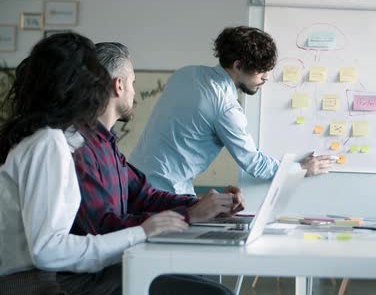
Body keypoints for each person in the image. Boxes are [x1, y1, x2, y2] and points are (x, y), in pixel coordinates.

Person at [0, 33, 186, 294]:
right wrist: (142, 232)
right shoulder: (48, 143)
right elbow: (47, 251)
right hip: (33, 285)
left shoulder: (50, 139)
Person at [70, 42, 241, 294]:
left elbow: (142, 194)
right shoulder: (82, 148)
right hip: (89, 278)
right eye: (133, 83)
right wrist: (190, 215)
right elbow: (103, 228)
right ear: (119, 85)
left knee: (203, 279)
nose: (134, 93)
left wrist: (204, 204)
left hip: (115, 264)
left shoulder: (106, 143)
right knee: (215, 292)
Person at [130, 26, 335, 195]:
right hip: (163, 193)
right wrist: (301, 168)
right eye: (260, 70)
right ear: (238, 65)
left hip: (134, 180)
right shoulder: (226, 107)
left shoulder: (186, 73)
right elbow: (254, 163)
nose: (266, 77)